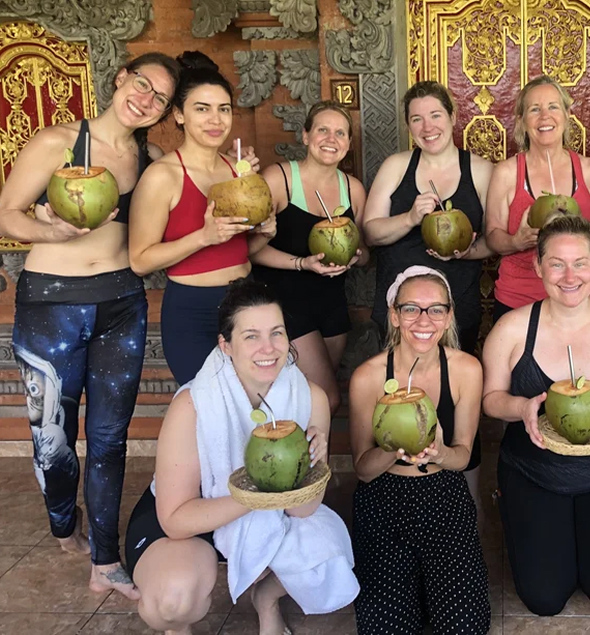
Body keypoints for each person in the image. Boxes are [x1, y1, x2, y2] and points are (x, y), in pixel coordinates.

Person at [0, 52, 181, 599]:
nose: (147, 99)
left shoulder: (152, 160)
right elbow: (6, 211)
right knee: (51, 440)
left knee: (107, 438)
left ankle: (105, 558)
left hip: (122, 305)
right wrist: (49, 231)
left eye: (161, 98)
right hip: (50, 304)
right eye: (143, 84)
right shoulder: (59, 142)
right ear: (121, 77)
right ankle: (63, 523)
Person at [126, 279, 358, 634]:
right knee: (173, 601)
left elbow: (303, 510)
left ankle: (266, 599)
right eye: (251, 335)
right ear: (226, 345)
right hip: (192, 515)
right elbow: (175, 519)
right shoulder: (194, 404)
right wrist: (257, 495)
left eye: (277, 333)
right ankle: (178, 628)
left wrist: (312, 469)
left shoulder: (310, 398)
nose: (268, 348)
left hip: (269, 509)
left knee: (328, 550)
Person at [483, 214, 590, 616]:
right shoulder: (510, 330)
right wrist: (522, 407)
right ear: (538, 266)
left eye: (580, 262)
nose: (569, 275)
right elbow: (491, 399)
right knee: (544, 599)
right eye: (557, 264)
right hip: (533, 470)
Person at [364, 81, 494, 506]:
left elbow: (496, 239)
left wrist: (468, 248)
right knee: (396, 399)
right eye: (416, 118)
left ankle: (464, 507)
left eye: (435, 115)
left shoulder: (480, 169)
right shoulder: (397, 165)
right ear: (408, 126)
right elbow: (371, 230)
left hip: (453, 309)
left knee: (456, 407)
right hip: (401, 309)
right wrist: (409, 217)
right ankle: (395, 500)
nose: (427, 125)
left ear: (453, 117)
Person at [349, 266, 490, 634]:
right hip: (384, 501)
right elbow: (363, 470)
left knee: (464, 626)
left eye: (436, 309)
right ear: (394, 315)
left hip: (442, 496)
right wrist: (394, 449)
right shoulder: (367, 376)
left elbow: (461, 456)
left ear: (448, 317)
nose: (423, 320)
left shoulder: (466, 370)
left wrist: (438, 452)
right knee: (386, 628)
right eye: (411, 309)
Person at [129, 52, 275, 386]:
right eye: (202, 109)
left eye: (223, 109)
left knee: (256, 408)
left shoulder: (237, 170)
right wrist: (202, 237)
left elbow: (239, 250)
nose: (216, 120)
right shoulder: (162, 176)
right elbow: (139, 260)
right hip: (192, 311)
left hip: (247, 303)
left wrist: (264, 234)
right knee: (209, 412)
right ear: (179, 115)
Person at [251, 100, 367, 416]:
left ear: (348, 143)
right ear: (305, 136)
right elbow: (249, 251)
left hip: (331, 303)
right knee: (328, 399)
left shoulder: (352, 190)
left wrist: (354, 257)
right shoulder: (279, 179)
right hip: (284, 304)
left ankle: (310, 464)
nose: (331, 139)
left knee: (310, 401)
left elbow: (365, 252)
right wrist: (302, 263)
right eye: (323, 130)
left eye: (340, 133)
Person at [485, 75, 590, 320]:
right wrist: (516, 241)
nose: (545, 117)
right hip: (519, 299)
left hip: (578, 298)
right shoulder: (506, 172)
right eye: (535, 109)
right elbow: (492, 236)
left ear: (567, 115)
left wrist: (578, 240)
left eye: (553, 107)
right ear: (522, 121)